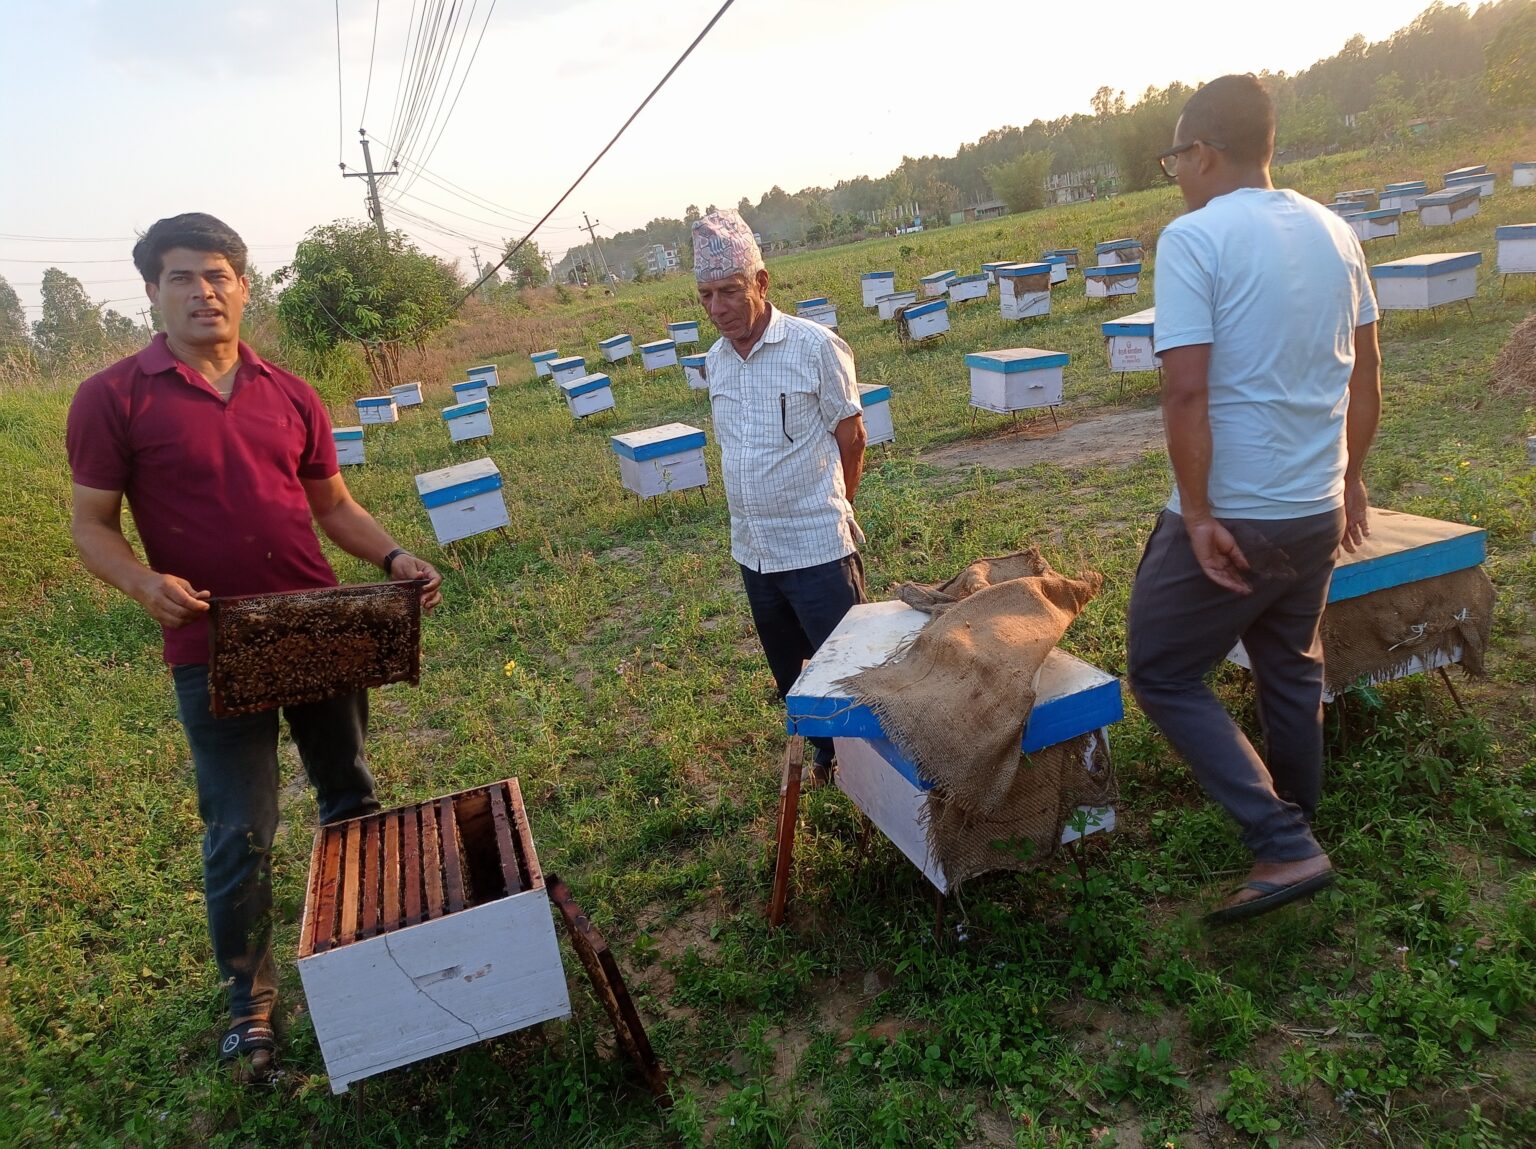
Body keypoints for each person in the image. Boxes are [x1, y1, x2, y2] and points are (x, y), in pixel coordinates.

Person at [66, 212, 443, 1079]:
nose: (204, 292)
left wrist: (392, 554)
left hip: (314, 629)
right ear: (154, 293)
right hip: (210, 644)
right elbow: (92, 526)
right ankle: (252, 1006)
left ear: (243, 285)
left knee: (349, 792)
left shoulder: (290, 390)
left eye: (219, 275)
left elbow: (334, 506)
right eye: (183, 278)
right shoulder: (114, 396)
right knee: (240, 829)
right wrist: (142, 583)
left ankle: (370, 945)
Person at [1125, 75, 1381, 925]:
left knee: (1161, 666)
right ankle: (1299, 815)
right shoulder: (1336, 231)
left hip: (1237, 508)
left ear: (1202, 151)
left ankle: (1281, 840)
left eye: (1175, 158)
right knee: (1288, 660)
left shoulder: (1194, 238)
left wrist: (1198, 516)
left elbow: (1186, 393)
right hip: (1313, 501)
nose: (1178, 175)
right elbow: (1368, 374)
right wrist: (1348, 476)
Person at [694, 210, 868, 784]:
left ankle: (874, 767)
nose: (717, 308)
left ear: (761, 284)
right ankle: (826, 753)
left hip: (817, 545)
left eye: (729, 291)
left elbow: (852, 436)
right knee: (792, 672)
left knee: (851, 666)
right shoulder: (715, 363)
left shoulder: (816, 347)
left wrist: (837, 506)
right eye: (705, 295)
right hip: (755, 552)